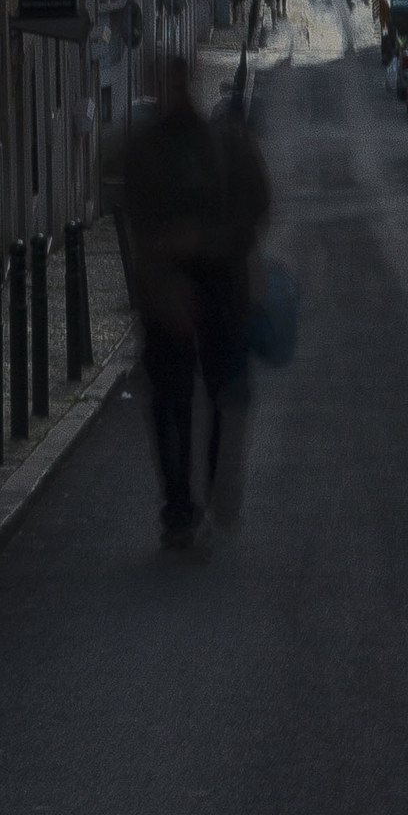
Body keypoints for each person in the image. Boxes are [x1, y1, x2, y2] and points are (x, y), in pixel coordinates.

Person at [123, 63, 272, 548]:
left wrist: (206, 242)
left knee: (219, 397)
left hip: (219, 287)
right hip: (167, 295)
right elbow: (140, 230)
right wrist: (165, 289)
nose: (169, 91)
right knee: (171, 403)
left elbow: (254, 205)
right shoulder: (147, 151)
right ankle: (179, 506)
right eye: (163, 84)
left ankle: (203, 494)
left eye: (175, 82)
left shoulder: (222, 146)